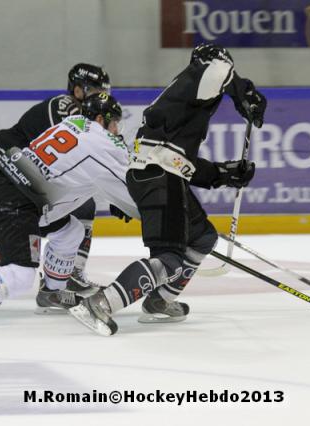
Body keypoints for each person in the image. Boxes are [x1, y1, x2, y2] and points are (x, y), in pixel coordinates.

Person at [69, 43, 267, 336]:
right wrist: (245, 93)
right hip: (160, 178)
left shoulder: (184, 100)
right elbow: (219, 69)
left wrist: (223, 174)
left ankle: (160, 300)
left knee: (203, 237)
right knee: (169, 259)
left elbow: (176, 159)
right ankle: (100, 303)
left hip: (158, 174)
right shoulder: (198, 75)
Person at [0, 93, 139, 330]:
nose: (118, 129)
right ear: (99, 119)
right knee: (21, 275)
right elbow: (129, 188)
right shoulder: (101, 142)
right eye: (115, 122)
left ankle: (53, 293)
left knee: (71, 231)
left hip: (19, 192)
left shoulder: (71, 124)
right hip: (16, 200)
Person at [0, 63, 112, 314]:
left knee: (66, 210)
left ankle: (70, 274)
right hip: (4, 164)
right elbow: (72, 145)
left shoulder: (82, 115)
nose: (99, 96)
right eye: (93, 89)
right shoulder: (66, 106)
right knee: (17, 220)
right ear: (78, 89)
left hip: (17, 166)